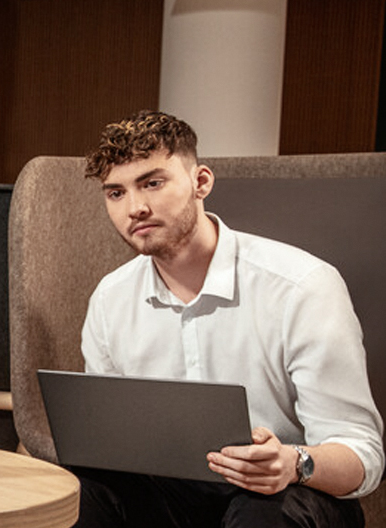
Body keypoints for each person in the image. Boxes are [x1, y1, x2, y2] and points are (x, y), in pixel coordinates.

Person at [73, 110, 384, 527]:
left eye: (152, 183)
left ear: (201, 182)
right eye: (116, 193)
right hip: (172, 493)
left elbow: (362, 456)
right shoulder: (111, 299)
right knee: (80, 490)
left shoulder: (302, 286)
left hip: (288, 495)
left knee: (260, 515)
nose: (136, 208)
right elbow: (109, 444)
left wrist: (294, 463)